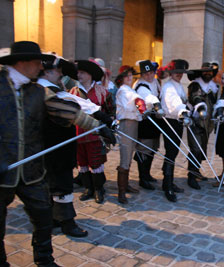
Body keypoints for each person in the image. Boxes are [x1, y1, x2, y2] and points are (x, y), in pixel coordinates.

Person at [0, 41, 115, 267]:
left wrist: (98, 126)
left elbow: (69, 111)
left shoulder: (38, 91)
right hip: (3, 171)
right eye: (36, 63)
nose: (40, 68)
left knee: (43, 217)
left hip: (32, 171)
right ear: (22, 63)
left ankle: (45, 261)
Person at [38, 55, 106, 238]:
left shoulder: (52, 89)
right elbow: (73, 113)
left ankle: (53, 218)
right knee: (62, 185)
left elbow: (75, 101)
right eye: (58, 71)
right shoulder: (43, 91)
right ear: (48, 71)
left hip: (57, 146)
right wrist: (99, 127)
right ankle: (66, 222)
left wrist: (100, 114)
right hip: (53, 148)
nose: (61, 75)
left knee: (54, 183)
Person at [70, 59, 115, 204]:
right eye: (78, 72)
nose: (79, 75)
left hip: (95, 135)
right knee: (82, 163)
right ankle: (88, 188)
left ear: (90, 74)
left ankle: (98, 189)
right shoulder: (72, 92)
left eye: (82, 72)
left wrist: (109, 127)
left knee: (96, 163)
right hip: (77, 134)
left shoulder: (103, 92)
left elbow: (110, 112)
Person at [157, 59, 192, 202]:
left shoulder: (178, 85)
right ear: (171, 73)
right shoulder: (169, 87)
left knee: (174, 151)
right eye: (177, 72)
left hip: (177, 121)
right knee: (171, 152)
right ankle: (167, 185)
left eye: (181, 72)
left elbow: (183, 101)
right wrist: (183, 112)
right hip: (170, 121)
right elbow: (174, 103)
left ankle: (168, 182)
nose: (179, 75)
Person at [114, 65, 147, 204]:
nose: (129, 78)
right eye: (127, 76)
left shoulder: (130, 89)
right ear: (121, 79)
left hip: (133, 123)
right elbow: (131, 102)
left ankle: (125, 185)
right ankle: (121, 191)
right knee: (125, 156)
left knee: (129, 154)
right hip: (126, 124)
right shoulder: (123, 90)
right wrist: (139, 103)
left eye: (130, 75)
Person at [186, 62, 219, 189]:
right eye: (205, 71)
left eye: (210, 71)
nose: (207, 73)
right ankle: (191, 176)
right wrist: (200, 107)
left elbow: (215, 102)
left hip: (207, 124)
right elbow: (195, 97)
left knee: (201, 150)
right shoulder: (195, 85)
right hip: (195, 122)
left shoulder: (214, 87)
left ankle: (196, 171)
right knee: (195, 149)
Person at [133, 60, 164, 191]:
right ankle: (142, 178)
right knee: (144, 149)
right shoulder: (141, 86)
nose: (149, 76)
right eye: (146, 73)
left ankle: (147, 174)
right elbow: (149, 99)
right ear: (142, 74)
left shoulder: (155, 82)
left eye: (151, 72)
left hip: (155, 121)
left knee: (152, 149)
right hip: (145, 122)